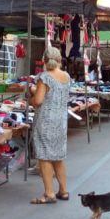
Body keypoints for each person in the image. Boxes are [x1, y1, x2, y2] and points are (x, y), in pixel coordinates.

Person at [29, 46, 72, 204]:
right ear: (60, 59)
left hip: (46, 120)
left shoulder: (44, 77)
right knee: (58, 156)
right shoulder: (66, 76)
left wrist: (31, 98)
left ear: (44, 61)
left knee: (45, 156)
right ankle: (64, 191)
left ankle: (49, 193)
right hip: (61, 121)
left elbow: (39, 101)